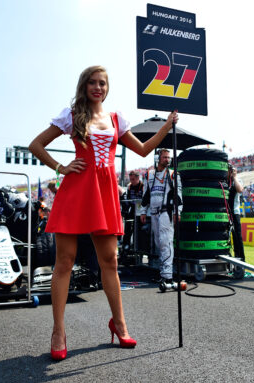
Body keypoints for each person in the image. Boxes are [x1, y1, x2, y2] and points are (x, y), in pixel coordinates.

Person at [29, 65, 178, 360]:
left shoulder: (115, 119)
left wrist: (167, 126)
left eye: (103, 83)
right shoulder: (71, 116)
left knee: (109, 260)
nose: (98, 88)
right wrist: (61, 167)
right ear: (84, 86)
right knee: (64, 262)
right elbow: (36, 145)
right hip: (76, 192)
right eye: (93, 83)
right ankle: (58, 331)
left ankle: (119, 323)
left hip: (105, 193)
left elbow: (145, 150)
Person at [140, 148, 183, 285]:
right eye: (164, 157)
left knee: (166, 242)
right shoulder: (149, 174)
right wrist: (142, 211)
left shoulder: (173, 174)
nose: (167, 159)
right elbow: (146, 194)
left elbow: (178, 195)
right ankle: (162, 273)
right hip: (153, 212)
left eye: (168, 157)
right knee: (159, 244)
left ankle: (168, 276)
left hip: (166, 212)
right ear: (158, 158)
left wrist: (178, 211)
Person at [122, 170, 145, 254]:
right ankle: (126, 248)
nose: (131, 181)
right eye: (130, 179)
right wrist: (125, 211)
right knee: (127, 229)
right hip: (132, 210)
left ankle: (138, 249)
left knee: (138, 231)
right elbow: (127, 200)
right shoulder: (129, 186)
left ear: (138, 178)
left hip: (141, 211)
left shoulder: (143, 186)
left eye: (133, 179)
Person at [227, 164, 245, 260]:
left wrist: (234, 177)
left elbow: (240, 189)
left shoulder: (237, 181)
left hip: (235, 211)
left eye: (232, 170)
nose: (230, 172)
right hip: (225, 212)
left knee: (237, 236)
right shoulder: (224, 181)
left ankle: (241, 258)